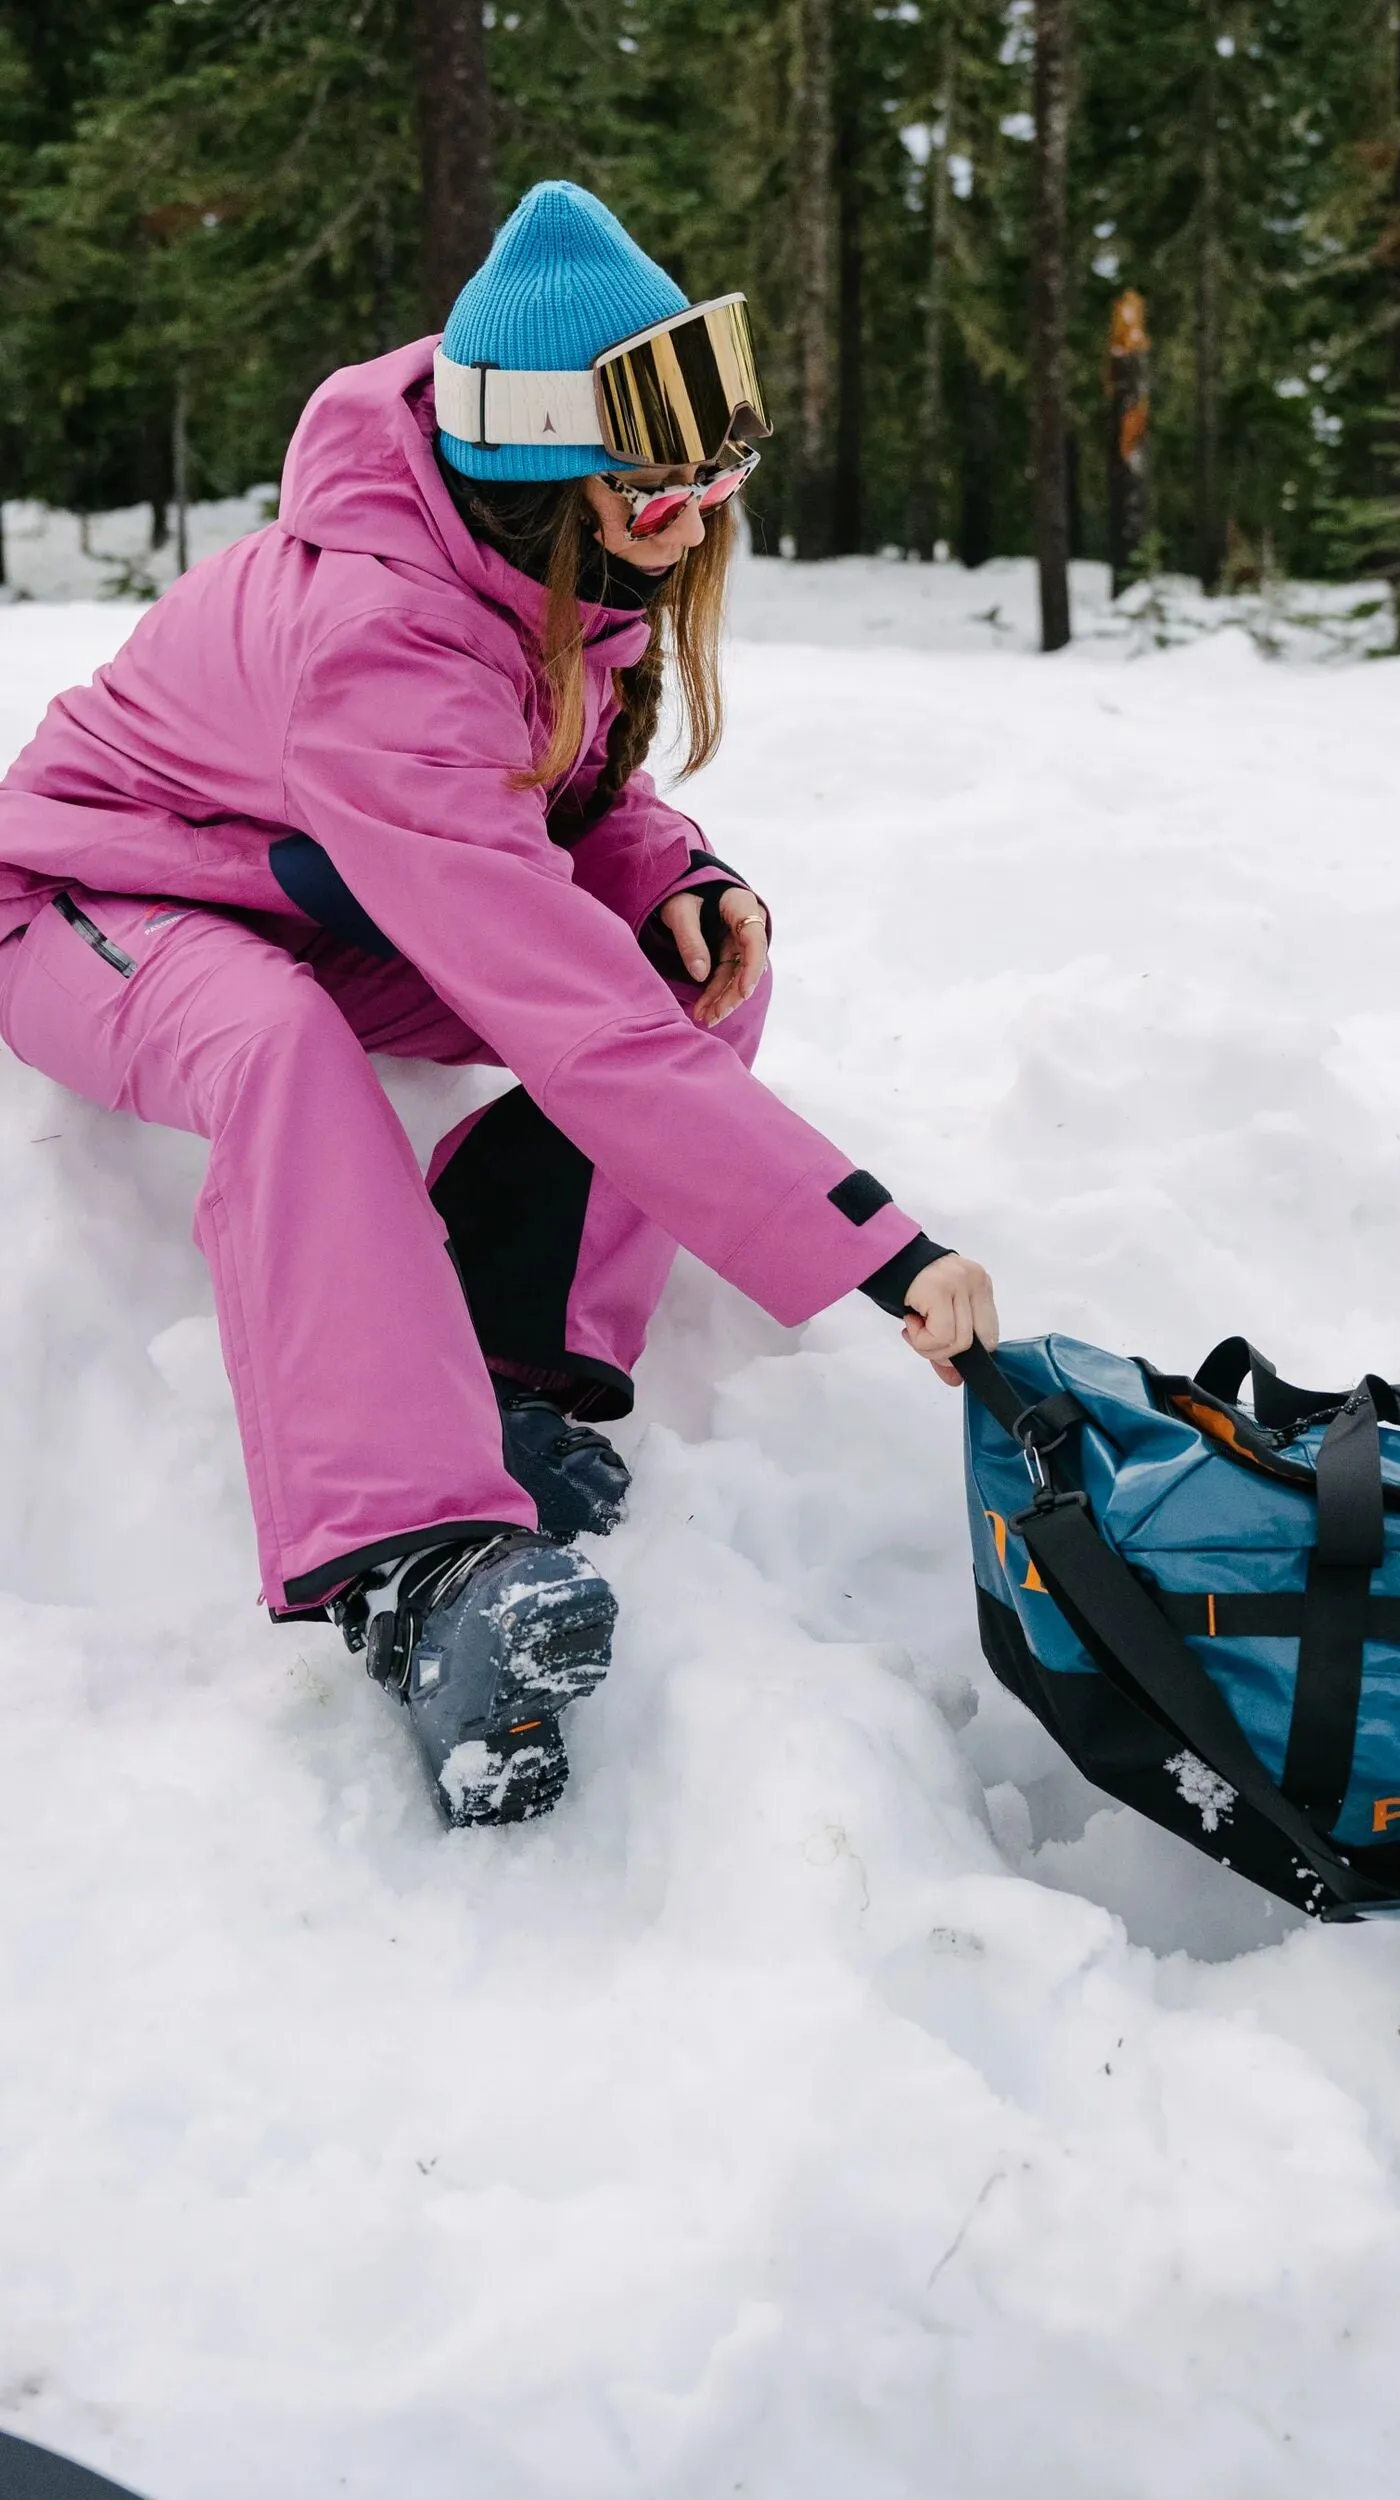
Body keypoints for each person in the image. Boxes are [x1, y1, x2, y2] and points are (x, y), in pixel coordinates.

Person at [0, 181, 997, 1827]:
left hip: (320, 885)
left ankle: (508, 1364)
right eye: (666, 488)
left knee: (684, 967)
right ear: (549, 471)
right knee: (280, 1047)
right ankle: (412, 1561)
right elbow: (558, 1004)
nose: (703, 515)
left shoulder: (536, 557)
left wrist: (672, 870)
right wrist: (878, 1251)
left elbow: (556, 802)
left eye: (721, 474)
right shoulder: (382, 632)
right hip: (95, 900)